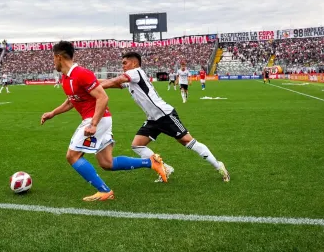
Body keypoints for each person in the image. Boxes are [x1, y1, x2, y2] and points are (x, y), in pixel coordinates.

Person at [40, 41, 168, 202]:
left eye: (53, 58)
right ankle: (151, 162)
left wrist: (93, 124)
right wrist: (53, 113)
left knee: (72, 156)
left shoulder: (81, 73)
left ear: (58, 57)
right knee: (107, 163)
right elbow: (71, 101)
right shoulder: (67, 78)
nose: (53, 61)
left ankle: (104, 191)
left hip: (97, 120)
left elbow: (103, 97)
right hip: (101, 120)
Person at [100, 52, 230, 182]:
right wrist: (90, 83)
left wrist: (93, 86)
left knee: (187, 141)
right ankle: (165, 168)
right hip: (153, 118)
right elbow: (114, 84)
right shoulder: (131, 78)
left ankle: (218, 165)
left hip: (165, 115)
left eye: (125, 63)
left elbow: (116, 80)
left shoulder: (136, 72)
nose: (122, 66)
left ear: (134, 63)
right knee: (137, 145)